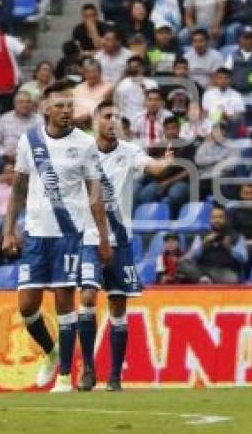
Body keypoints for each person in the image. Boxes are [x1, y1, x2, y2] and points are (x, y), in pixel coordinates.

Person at [1, 79, 111, 393]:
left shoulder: (85, 143)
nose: (66, 111)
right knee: (26, 305)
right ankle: (50, 354)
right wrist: (8, 229)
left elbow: (95, 194)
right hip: (36, 234)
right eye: (60, 106)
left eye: (69, 106)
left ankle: (64, 376)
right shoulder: (29, 141)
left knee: (65, 302)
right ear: (46, 109)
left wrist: (102, 237)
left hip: (69, 233)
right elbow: (19, 188)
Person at [76, 100, 174, 391]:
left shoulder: (129, 151)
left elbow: (153, 169)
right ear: (95, 120)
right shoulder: (83, 155)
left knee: (118, 306)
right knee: (88, 296)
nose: (112, 121)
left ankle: (115, 376)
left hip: (121, 240)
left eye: (117, 117)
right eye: (107, 116)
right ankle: (89, 370)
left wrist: (166, 163)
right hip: (91, 238)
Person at [180, 206, 243, 284]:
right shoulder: (202, 235)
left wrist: (230, 248)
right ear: (210, 220)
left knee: (232, 279)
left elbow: (243, 258)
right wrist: (203, 245)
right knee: (182, 264)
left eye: (220, 217)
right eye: (214, 218)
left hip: (223, 271)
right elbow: (190, 257)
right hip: (202, 269)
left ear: (226, 219)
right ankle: (204, 279)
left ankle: (205, 281)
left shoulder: (235, 236)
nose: (217, 220)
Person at [0, 90, 41, 174]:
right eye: (21, 102)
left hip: (31, 157)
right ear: (15, 104)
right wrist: (5, 154)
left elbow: (43, 143)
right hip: (6, 158)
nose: (25, 105)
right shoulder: (4, 119)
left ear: (32, 104)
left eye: (28, 102)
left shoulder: (39, 120)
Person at [113, 55, 158, 122]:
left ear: (143, 68)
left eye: (136, 67)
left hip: (146, 120)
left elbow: (156, 104)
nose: (134, 69)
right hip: (126, 120)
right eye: (131, 67)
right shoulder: (122, 85)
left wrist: (144, 89)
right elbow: (117, 104)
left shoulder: (152, 84)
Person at [72, 58, 112, 127]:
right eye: (88, 72)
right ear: (84, 74)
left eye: (94, 71)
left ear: (100, 72)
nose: (91, 75)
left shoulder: (109, 88)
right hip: (75, 124)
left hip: (98, 125)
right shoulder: (78, 88)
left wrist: (88, 116)